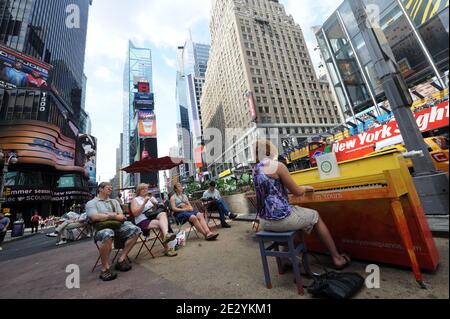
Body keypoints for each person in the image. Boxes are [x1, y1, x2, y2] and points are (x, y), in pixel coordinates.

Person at [253, 140, 351, 270]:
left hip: (264, 221)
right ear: (269, 150)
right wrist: (306, 187)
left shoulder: (255, 170)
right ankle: (337, 258)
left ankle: (285, 258)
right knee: (315, 216)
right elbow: (297, 192)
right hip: (280, 220)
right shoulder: (277, 166)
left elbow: (270, 190)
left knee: (297, 216)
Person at [86, 182, 142, 282]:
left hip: (117, 226)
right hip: (100, 229)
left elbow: (122, 217)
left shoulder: (114, 202)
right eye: (108, 188)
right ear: (100, 189)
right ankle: (105, 269)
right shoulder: (91, 203)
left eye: (111, 188)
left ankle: (121, 260)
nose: (110, 189)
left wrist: (107, 215)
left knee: (136, 230)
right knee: (108, 233)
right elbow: (94, 217)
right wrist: (112, 215)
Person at [130, 184, 177, 257]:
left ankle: (166, 235)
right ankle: (167, 248)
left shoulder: (149, 198)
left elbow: (153, 211)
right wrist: (144, 203)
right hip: (142, 220)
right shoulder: (135, 200)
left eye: (146, 189)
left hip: (151, 217)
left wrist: (155, 204)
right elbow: (135, 213)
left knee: (163, 214)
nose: (145, 190)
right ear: (139, 191)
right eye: (143, 189)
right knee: (162, 224)